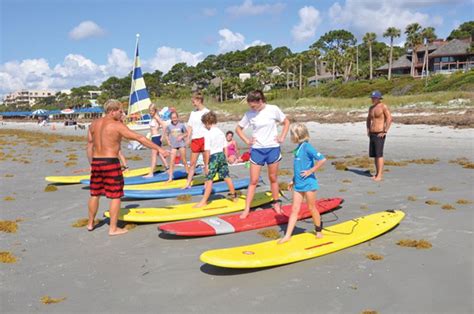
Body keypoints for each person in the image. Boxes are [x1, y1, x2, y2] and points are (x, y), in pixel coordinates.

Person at [86, 99, 169, 236]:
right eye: (120, 111)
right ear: (112, 111)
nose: (122, 113)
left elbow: (89, 146)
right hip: (110, 162)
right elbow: (139, 138)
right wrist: (159, 149)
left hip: (96, 162)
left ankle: (90, 223)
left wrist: (91, 164)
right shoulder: (116, 125)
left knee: (95, 194)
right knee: (115, 196)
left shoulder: (93, 124)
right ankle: (113, 228)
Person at [235, 90, 290, 219]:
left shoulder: (273, 109)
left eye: (253, 106)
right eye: (250, 106)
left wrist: (282, 137)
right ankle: (247, 208)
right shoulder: (249, 114)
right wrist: (247, 140)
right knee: (253, 180)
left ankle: (276, 204)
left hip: (272, 148)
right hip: (257, 150)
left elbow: (286, 122)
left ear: (260, 101)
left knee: (273, 178)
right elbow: (238, 128)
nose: (252, 108)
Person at [278, 123, 326, 244]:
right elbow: (298, 167)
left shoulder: (307, 147)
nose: (291, 137)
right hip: (298, 184)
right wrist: (293, 180)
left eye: (292, 134)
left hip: (309, 184)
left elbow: (322, 159)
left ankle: (318, 230)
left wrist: (311, 171)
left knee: (311, 208)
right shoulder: (298, 148)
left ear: (298, 135)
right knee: (294, 209)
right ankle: (288, 235)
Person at [194, 111, 236, 208]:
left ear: (208, 123)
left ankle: (204, 201)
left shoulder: (208, 134)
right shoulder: (220, 132)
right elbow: (225, 147)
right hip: (221, 155)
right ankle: (234, 196)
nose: (205, 126)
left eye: (205, 124)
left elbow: (207, 150)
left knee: (209, 180)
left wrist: (206, 165)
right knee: (226, 176)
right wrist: (225, 159)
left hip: (213, 157)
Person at [183, 92, 210, 189]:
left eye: (193, 101)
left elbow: (210, 126)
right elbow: (190, 127)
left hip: (205, 139)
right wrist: (188, 138)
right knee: (193, 163)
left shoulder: (207, 112)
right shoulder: (193, 113)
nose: (193, 103)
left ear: (199, 101)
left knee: (206, 163)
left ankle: (207, 183)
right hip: (195, 140)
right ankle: (188, 183)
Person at [366, 91, 392, 181]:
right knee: (374, 155)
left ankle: (380, 175)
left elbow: (389, 118)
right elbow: (368, 119)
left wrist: (385, 131)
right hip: (372, 133)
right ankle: (377, 173)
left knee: (379, 154)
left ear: (379, 98)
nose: (372, 99)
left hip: (380, 133)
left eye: (374, 98)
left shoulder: (383, 106)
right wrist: (368, 130)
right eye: (372, 98)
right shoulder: (371, 108)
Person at [144, 103, 169, 178]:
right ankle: (167, 167)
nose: (150, 112)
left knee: (154, 155)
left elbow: (164, 126)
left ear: (155, 110)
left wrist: (163, 137)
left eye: (152, 110)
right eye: (149, 110)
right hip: (154, 138)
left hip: (156, 138)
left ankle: (151, 173)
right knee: (159, 154)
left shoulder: (156, 117)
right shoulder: (153, 117)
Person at [164, 111, 189, 182]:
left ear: (177, 118)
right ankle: (170, 178)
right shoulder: (169, 126)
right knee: (171, 161)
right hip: (173, 146)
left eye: (175, 118)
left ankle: (188, 174)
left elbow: (187, 133)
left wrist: (182, 136)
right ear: (170, 119)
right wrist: (168, 141)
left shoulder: (181, 125)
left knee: (184, 160)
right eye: (172, 118)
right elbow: (166, 134)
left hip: (181, 145)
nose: (174, 119)